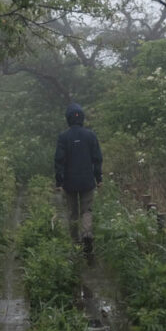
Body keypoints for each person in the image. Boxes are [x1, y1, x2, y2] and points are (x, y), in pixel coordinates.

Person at [54, 102, 103, 257]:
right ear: (82, 117)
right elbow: (97, 159)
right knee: (87, 210)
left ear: (68, 119)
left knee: (72, 212)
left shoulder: (63, 137)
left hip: (69, 182)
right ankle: (87, 235)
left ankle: (75, 244)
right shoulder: (90, 135)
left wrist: (59, 182)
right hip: (87, 181)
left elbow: (59, 160)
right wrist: (99, 178)